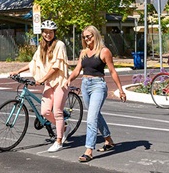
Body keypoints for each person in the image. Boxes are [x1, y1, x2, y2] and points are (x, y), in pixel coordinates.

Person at [66, 25, 126, 163]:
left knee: (91, 117)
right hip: (85, 85)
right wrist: (69, 79)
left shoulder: (104, 52)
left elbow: (112, 71)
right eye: (85, 37)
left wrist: (120, 90)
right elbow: (77, 70)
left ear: (95, 35)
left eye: (89, 36)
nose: (87, 39)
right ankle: (108, 140)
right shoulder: (83, 52)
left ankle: (89, 150)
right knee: (95, 115)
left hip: (98, 86)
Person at [9, 20, 70, 153]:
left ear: (54, 33)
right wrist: (18, 71)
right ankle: (64, 127)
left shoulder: (59, 45)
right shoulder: (41, 46)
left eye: (50, 32)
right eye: (45, 32)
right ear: (42, 33)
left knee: (57, 111)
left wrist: (42, 79)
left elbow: (56, 67)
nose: (48, 34)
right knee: (45, 112)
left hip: (60, 82)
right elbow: (33, 62)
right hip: (49, 83)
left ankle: (59, 141)